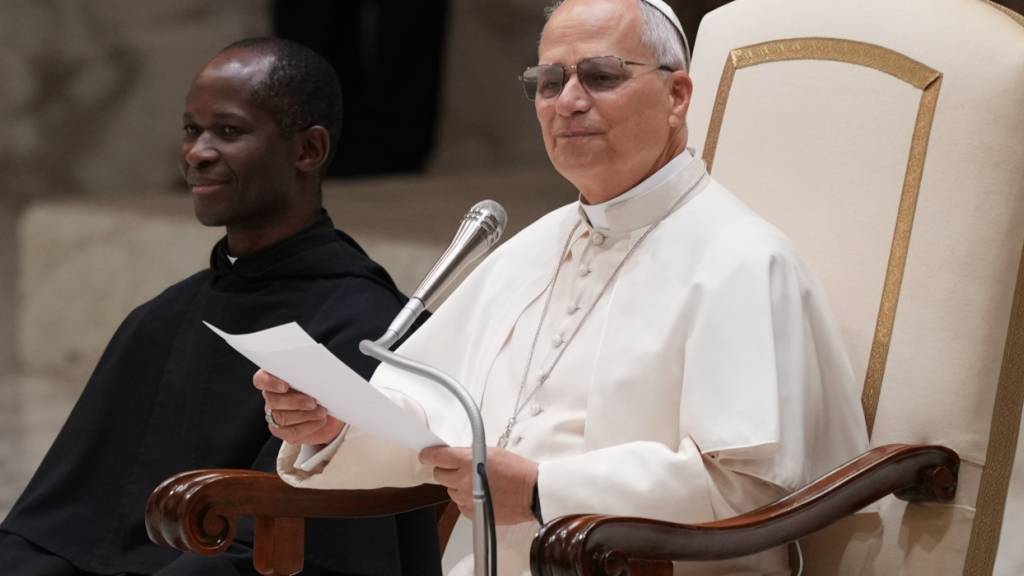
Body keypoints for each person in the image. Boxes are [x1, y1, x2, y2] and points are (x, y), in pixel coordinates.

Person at [257, 1, 869, 574]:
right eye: (550, 83)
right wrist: (335, 425)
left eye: (601, 76)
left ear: (677, 94)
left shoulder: (742, 260)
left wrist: (545, 491)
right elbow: (436, 425)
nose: (568, 102)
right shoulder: (533, 247)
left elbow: (752, 487)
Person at [0, 38, 440, 576]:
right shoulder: (161, 318)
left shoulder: (367, 326)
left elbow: (293, 548)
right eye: (191, 130)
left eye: (228, 132)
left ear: (308, 150)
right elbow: (57, 528)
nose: (197, 152)